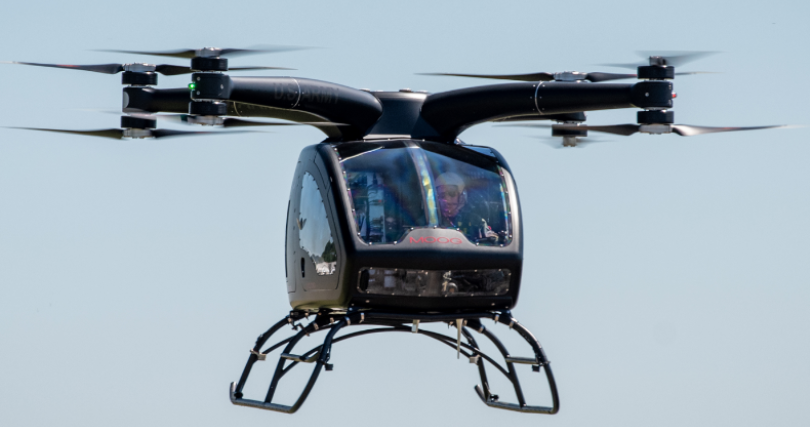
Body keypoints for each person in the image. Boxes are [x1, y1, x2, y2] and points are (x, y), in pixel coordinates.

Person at [435, 172, 499, 243]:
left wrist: (491, 238)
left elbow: (491, 238)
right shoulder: (432, 221)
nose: (446, 200)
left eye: (452, 193)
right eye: (442, 195)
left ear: (462, 196)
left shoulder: (475, 221)